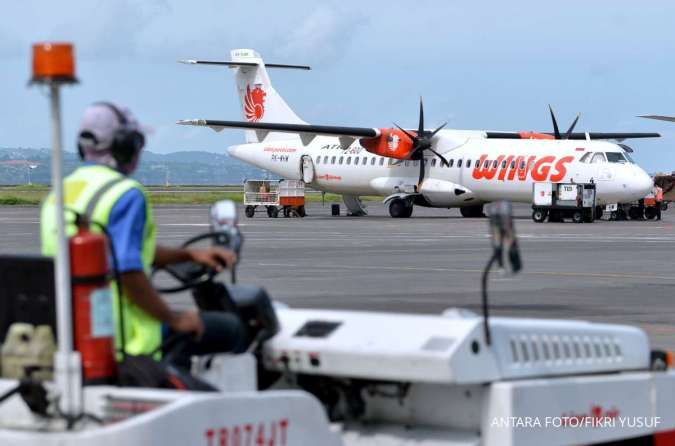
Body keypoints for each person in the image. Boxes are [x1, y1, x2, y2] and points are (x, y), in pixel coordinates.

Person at [40, 102, 247, 370]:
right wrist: (175, 318)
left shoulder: (58, 195)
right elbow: (128, 272)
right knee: (233, 330)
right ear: (125, 146)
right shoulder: (124, 193)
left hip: (73, 333)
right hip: (128, 338)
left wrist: (189, 254)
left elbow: (113, 251)